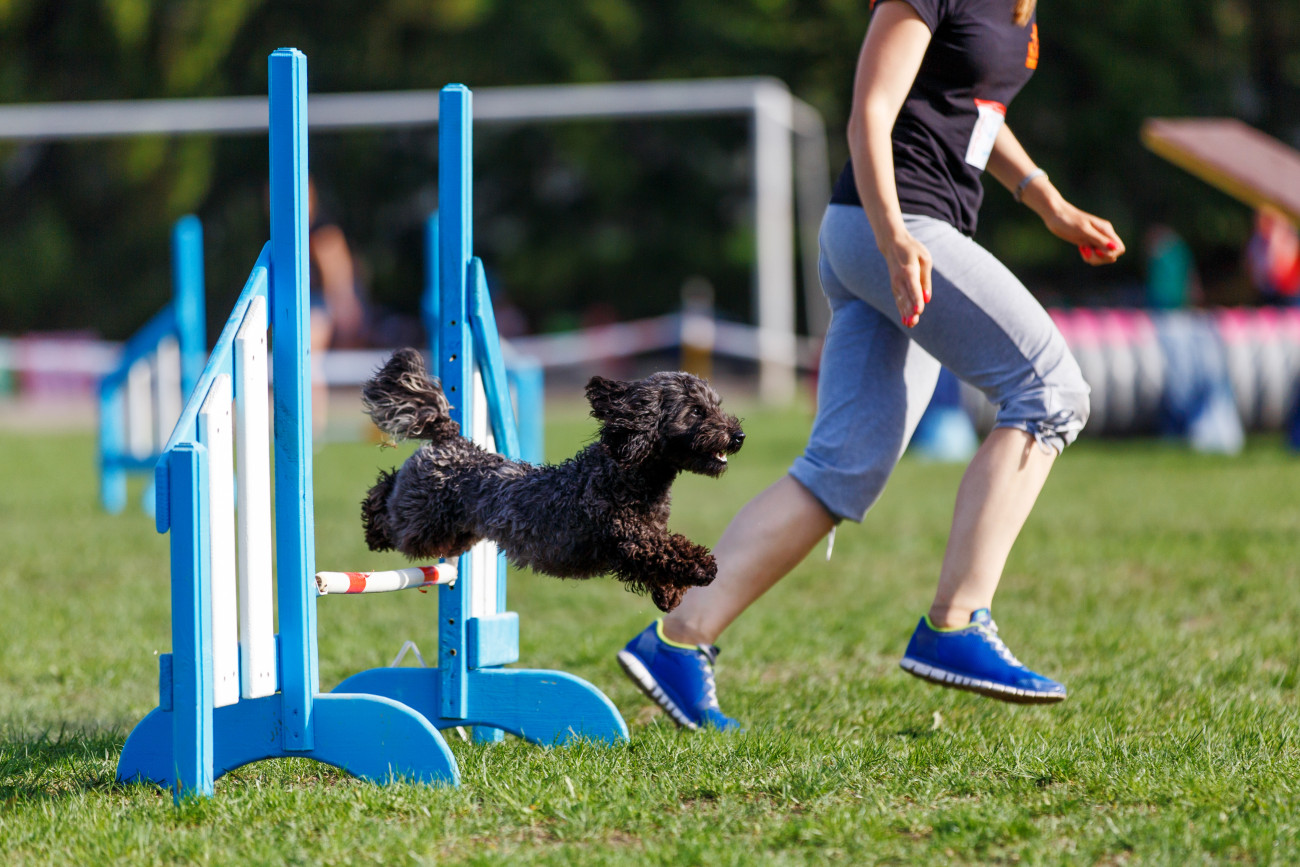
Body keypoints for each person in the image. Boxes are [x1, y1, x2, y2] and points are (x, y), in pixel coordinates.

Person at [616, 0, 1126, 730]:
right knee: (1050, 390)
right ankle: (955, 621)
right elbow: (870, 111)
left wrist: (1046, 200)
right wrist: (893, 238)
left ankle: (680, 638)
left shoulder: (1021, 11)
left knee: (841, 469)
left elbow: (972, 108)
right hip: (894, 224)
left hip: (897, 231)